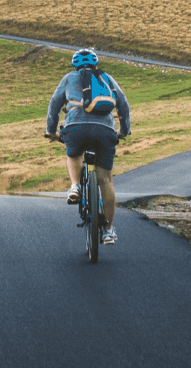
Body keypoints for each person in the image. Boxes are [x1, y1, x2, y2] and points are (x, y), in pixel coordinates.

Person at [45, 48, 131, 245]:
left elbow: (54, 104)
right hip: (105, 131)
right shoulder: (106, 78)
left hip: (75, 127)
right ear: (96, 64)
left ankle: (75, 186)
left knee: (73, 153)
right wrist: (124, 131)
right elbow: (123, 105)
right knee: (106, 181)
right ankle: (108, 231)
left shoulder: (69, 78)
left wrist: (51, 130)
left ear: (75, 65)